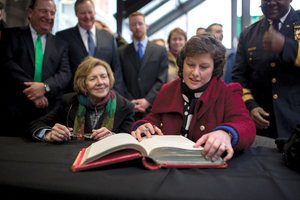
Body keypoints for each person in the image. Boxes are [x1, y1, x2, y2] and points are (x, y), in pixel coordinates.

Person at [131, 33, 256, 162]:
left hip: (210, 172)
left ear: (214, 68)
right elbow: (153, 119)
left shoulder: (227, 92)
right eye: (190, 64)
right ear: (182, 63)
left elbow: (247, 125)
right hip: (166, 166)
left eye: (204, 67)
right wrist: (142, 126)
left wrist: (227, 133)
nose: (195, 73)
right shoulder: (168, 90)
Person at [0, 0, 71, 137]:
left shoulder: (61, 44)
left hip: (47, 115)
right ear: (30, 12)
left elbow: (65, 73)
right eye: (44, 11)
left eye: (52, 13)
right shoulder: (11, 36)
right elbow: (7, 65)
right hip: (14, 113)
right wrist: (33, 90)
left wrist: (45, 87)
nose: (49, 17)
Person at [231, 0, 300, 139]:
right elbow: (239, 77)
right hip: (263, 127)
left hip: (296, 124)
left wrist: (286, 46)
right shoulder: (248, 33)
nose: (270, 2)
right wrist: (251, 106)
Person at [29, 57, 135, 142]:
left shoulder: (125, 106)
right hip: (71, 157)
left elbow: (130, 138)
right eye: (93, 79)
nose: (100, 82)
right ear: (83, 83)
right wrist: (48, 134)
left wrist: (113, 137)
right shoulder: (69, 101)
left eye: (103, 76)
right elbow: (36, 124)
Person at [56, 0, 124, 95]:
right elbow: (62, 70)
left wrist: (116, 98)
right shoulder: (63, 37)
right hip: (75, 98)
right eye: (83, 13)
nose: (87, 16)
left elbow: (116, 69)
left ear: (94, 12)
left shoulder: (108, 37)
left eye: (90, 12)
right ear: (76, 14)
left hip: (105, 98)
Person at [118, 12, 168, 120]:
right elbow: (120, 80)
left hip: (153, 108)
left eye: (140, 23)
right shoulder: (121, 52)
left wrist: (147, 101)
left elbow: (162, 79)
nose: (137, 27)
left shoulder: (160, 51)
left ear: (146, 25)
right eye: (133, 24)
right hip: (129, 109)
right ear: (130, 27)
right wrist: (129, 102)